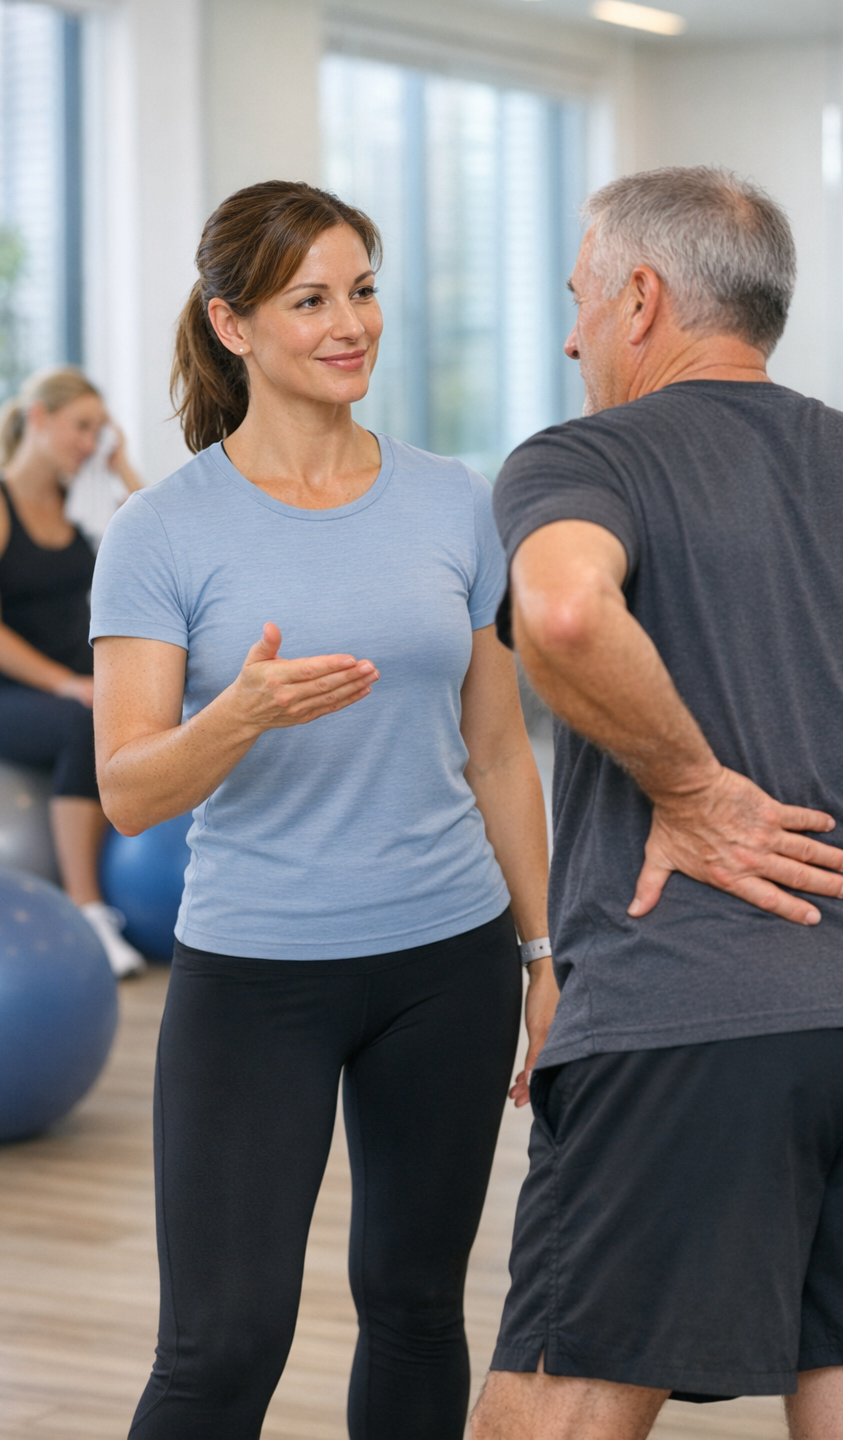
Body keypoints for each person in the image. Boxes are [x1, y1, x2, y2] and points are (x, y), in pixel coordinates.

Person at [471, 166, 843, 1440]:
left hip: (684, 1014)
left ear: (640, 298)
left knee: (562, 1399)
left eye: (579, 298)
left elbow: (562, 612)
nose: (571, 335)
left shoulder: (585, 456)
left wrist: (691, 791)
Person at [89, 180, 555, 1440]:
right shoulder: (160, 531)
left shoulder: (453, 499)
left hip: (448, 961)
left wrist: (544, 955)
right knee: (221, 1346)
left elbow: (499, 752)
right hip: (256, 971)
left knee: (415, 1307)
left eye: (362, 291)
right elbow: (128, 791)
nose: (350, 324)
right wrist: (236, 715)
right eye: (310, 300)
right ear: (231, 324)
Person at [0, 366, 146, 977]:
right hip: (0, 698)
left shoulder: (80, 504)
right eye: (81, 427)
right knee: (83, 725)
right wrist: (70, 686)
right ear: (39, 418)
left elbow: (157, 534)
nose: (89, 442)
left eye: (98, 431)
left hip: (79, 686)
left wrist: (119, 463)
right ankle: (90, 912)